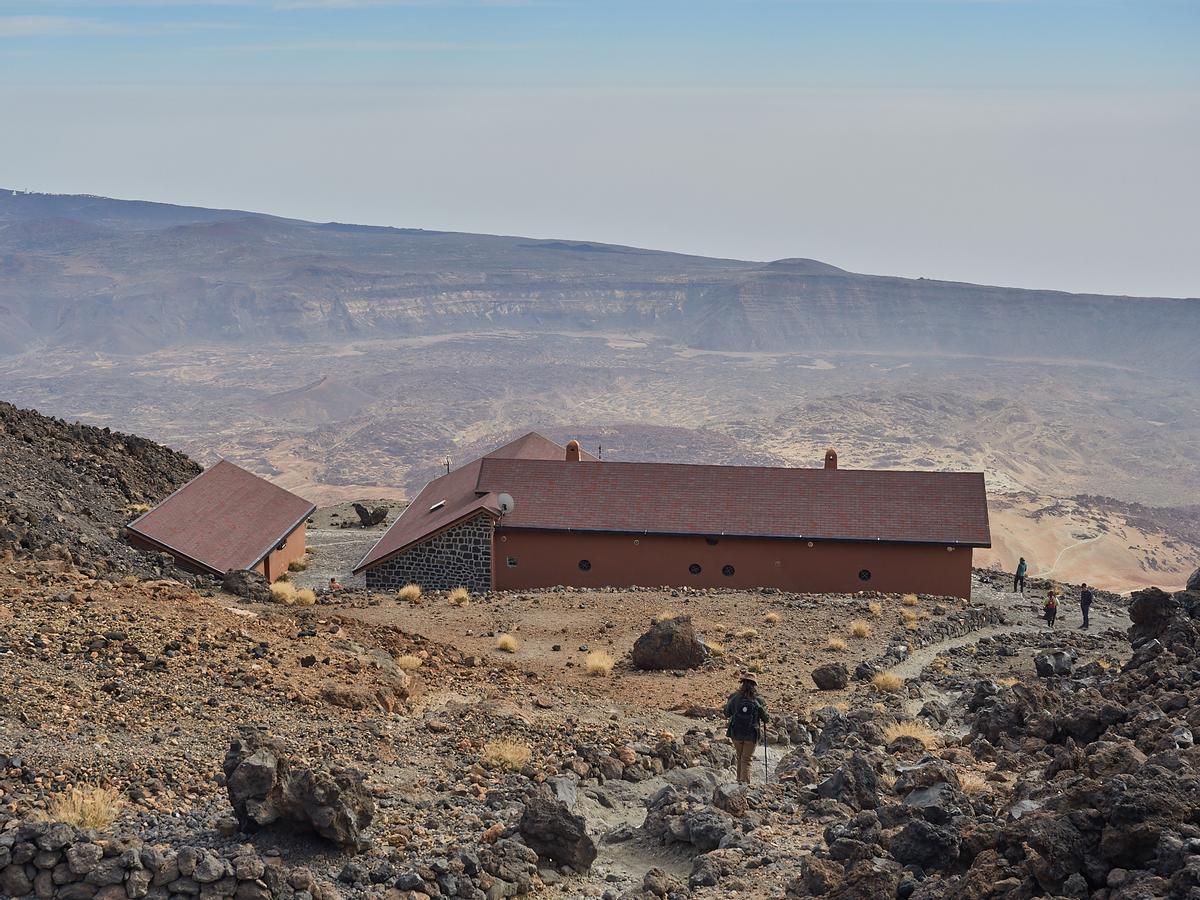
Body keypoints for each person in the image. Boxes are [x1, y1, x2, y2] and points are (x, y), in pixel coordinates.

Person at [724, 674, 770, 784]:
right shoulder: (759, 700)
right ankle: (744, 784)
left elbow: (726, 713)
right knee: (747, 759)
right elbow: (766, 718)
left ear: (742, 683)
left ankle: (739, 782)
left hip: (736, 733)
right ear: (754, 685)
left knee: (740, 757)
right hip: (751, 734)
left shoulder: (734, 697)